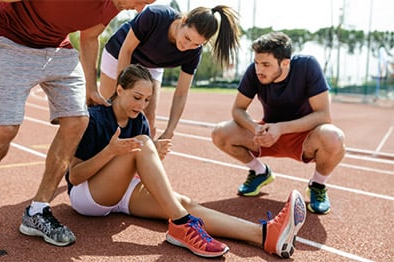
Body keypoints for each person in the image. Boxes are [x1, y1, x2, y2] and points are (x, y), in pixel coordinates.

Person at [0, 0, 156, 246]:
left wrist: (90, 87)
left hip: (58, 49)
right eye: (141, 1)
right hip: (12, 42)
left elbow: (90, 37)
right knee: (5, 128)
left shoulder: (115, 4)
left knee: (79, 120)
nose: (139, 10)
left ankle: (38, 210)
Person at [66, 64, 306, 258]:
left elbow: (139, 168)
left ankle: (265, 235)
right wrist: (111, 152)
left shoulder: (139, 120)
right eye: (137, 97)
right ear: (119, 90)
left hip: (124, 192)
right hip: (88, 196)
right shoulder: (96, 119)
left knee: (184, 204)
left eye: (147, 100)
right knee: (143, 145)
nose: (141, 106)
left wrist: (152, 158)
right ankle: (181, 225)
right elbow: (74, 177)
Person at [211, 32, 346, 215]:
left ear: (285, 63)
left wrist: (281, 128)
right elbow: (238, 110)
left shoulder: (307, 66)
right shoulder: (254, 72)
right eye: (257, 63)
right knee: (220, 133)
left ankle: (318, 185)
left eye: (266, 64)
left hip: (304, 136)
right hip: (267, 134)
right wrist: (256, 128)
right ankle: (260, 172)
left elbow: (323, 115)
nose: (259, 69)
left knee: (334, 136)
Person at [98, 4, 240, 138]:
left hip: (151, 65)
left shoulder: (194, 53)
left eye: (196, 44)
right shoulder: (154, 15)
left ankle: (138, 160)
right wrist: (124, 90)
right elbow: (126, 50)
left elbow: (181, 93)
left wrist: (170, 131)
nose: (187, 46)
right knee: (112, 110)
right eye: (187, 38)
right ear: (183, 20)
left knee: (148, 119)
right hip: (119, 53)